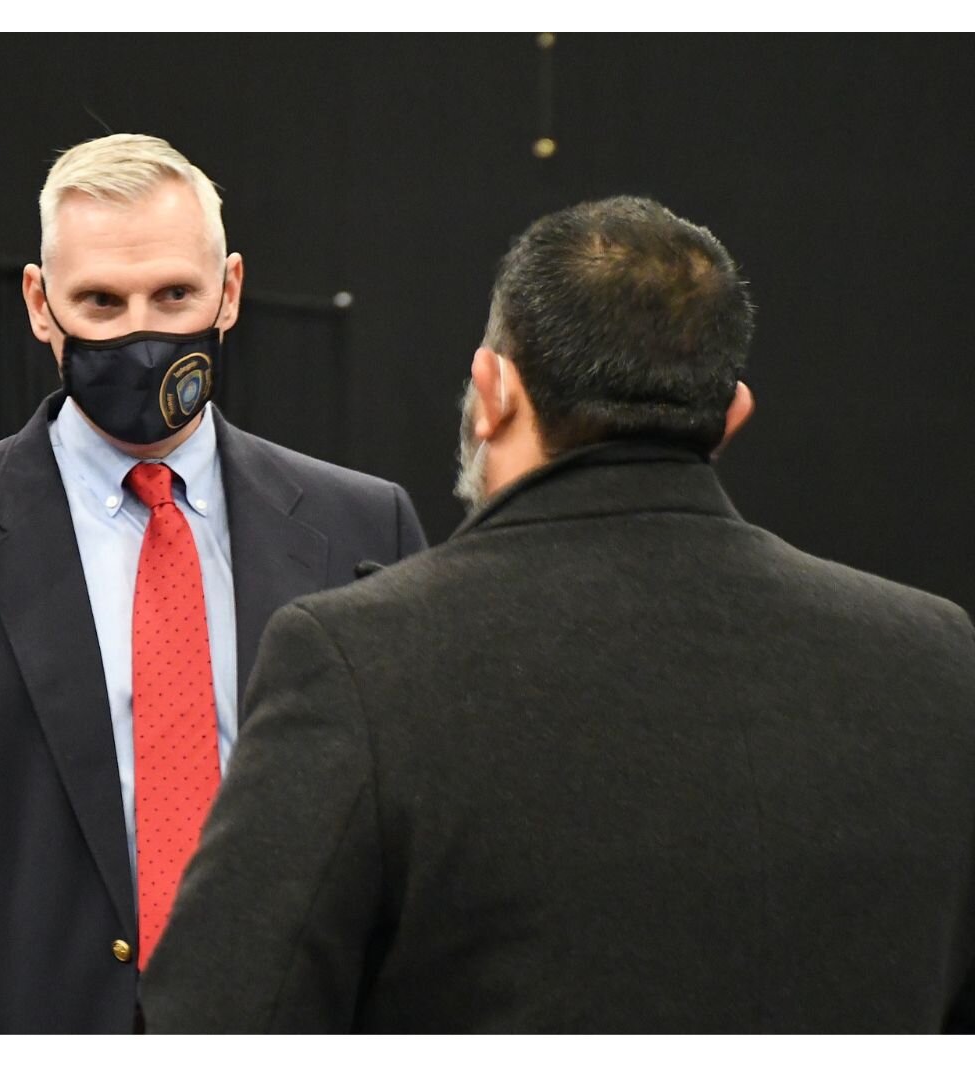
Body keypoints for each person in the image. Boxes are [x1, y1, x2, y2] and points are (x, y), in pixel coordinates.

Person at [141, 195, 975, 1033]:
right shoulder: (935, 662)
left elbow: (217, 1021)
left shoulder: (358, 662)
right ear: (732, 415)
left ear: (492, 393)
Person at [0, 133, 427, 1033]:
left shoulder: (364, 527)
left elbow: (409, 849)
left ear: (230, 291)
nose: (141, 333)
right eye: (100, 301)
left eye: (174, 294)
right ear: (40, 303)